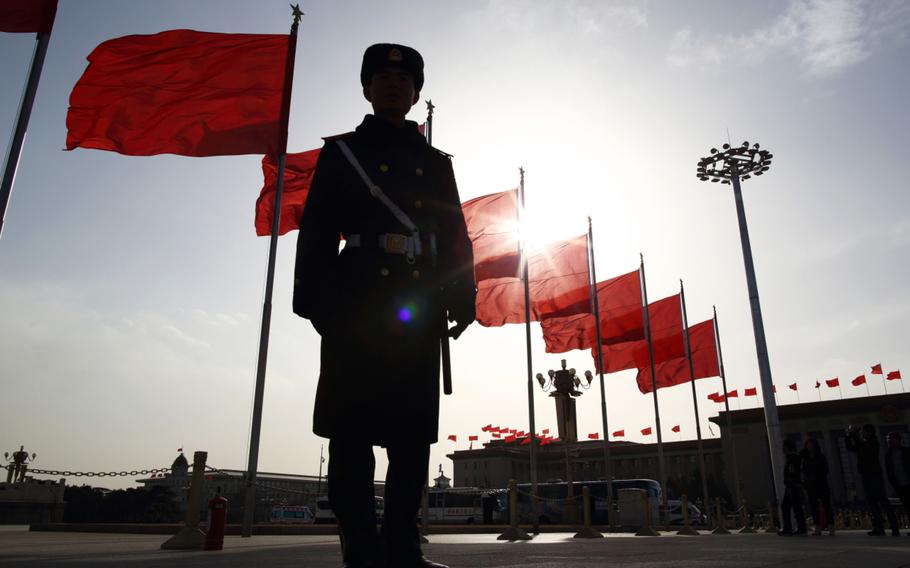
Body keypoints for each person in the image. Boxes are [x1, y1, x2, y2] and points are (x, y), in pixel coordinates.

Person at [293, 43, 476, 568]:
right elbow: (318, 231)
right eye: (382, 77)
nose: (394, 84)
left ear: (416, 92)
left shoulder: (435, 162)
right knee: (350, 432)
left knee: (410, 435)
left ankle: (402, 546)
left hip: (417, 307)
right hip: (357, 304)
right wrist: (317, 303)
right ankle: (361, 546)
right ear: (367, 89)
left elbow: (453, 232)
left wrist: (462, 294)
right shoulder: (343, 151)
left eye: (404, 79)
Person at [845, 424, 900, 536]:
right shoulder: (863, 443)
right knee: (872, 503)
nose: (861, 433)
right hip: (865, 474)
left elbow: (862, 445)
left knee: (883, 502)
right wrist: (848, 436)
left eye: (863, 431)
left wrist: (854, 435)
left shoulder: (873, 442)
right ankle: (878, 527)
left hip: (874, 475)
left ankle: (894, 527)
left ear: (869, 432)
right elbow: (850, 448)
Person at [801, 438, 835, 536]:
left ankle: (831, 527)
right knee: (813, 506)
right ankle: (817, 527)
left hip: (821, 484)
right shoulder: (806, 458)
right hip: (811, 486)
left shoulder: (820, 457)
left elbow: (825, 469)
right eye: (807, 445)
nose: (809, 447)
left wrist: (816, 476)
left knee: (826, 505)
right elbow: (804, 471)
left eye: (811, 445)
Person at [778, 439, 807, 536]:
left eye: (784, 447)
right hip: (792, 485)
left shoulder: (792, 458)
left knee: (792, 506)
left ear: (787, 447)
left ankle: (795, 528)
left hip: (793, 486)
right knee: (792, 506)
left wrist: (790, 483)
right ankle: (796, 527)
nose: (782, 449)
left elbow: (792, 472)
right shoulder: (792, 457)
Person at [884, 432, 910, 530]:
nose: (889, 441)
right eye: (887, 439)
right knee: (907, 506)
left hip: (908, 482)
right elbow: (889, 471)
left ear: (898, 440)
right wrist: (894, 484)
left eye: (891, 439)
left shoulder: (906, 452)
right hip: (899, 485)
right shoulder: (888, 455)